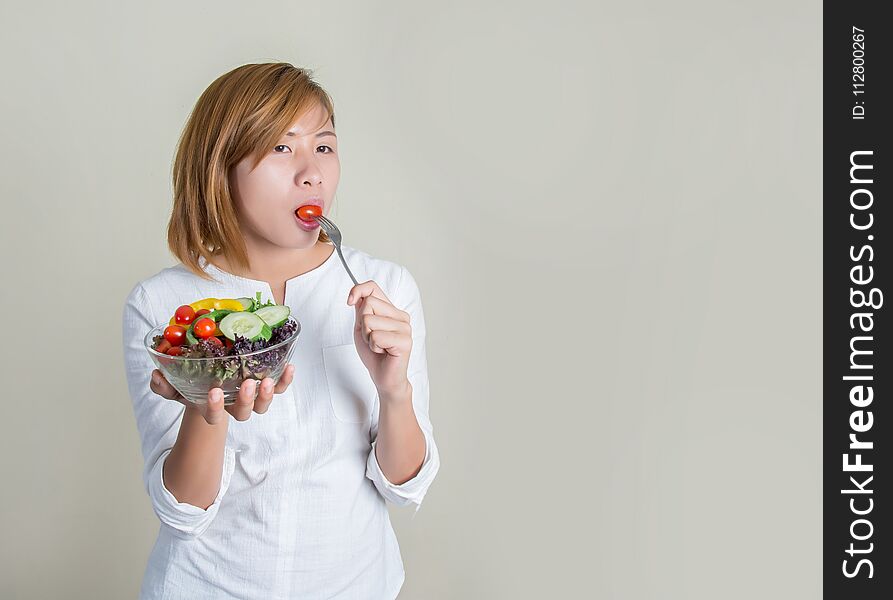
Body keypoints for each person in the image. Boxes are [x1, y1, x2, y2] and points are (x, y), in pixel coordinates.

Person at [120, 62, 440, 599]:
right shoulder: (163, 307)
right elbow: (183, 512)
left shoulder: (385, 287)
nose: (311, 173)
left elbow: (407, 486)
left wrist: (394, 390)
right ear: (221, 167)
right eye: (281, 148)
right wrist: (207, 404)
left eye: (324, 146)